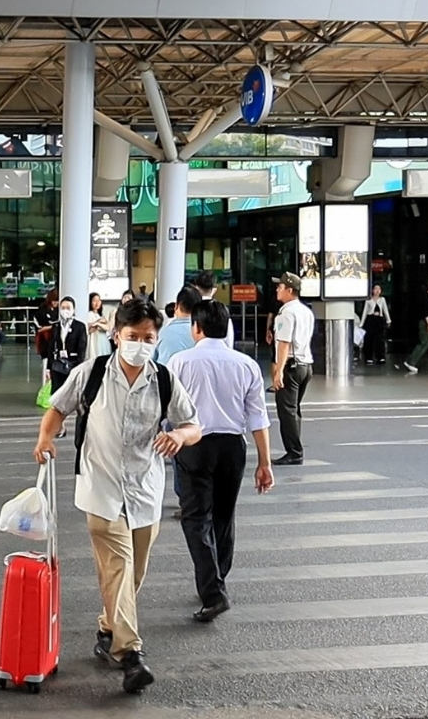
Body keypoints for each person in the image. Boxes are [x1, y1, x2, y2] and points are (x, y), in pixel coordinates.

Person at [32, 298, 201, 695]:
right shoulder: (90, 373)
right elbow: (57, 410)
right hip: (101, 488)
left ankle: (109, 628)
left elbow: (194, 425)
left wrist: (178, 435)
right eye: (132, 336)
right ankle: (130, 654)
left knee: (132, 572)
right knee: (120, 566)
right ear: (116, 336)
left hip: (145, 490)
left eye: (148, 338)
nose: (140, 344)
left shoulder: (163, 379)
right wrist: (45, 438)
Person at [168, 300, 274, 622]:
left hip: (194, 443)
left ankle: (213, 592)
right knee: (223, 517)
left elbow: (166, 408)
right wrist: (264, 463)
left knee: (196, 518)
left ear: (196, 328)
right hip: (233, 446)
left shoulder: (180, 362)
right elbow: (258, 417)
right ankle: (218, 579)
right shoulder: (246, 365)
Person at [271, 272, 315, 466]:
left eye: (280, 287)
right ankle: (295, 450)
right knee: (294, 409)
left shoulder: (286, 313)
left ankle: (294, 452)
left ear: (290, 290)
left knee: (286, 412)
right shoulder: (306, 311)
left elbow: (284, 343)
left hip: (291, 365)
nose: (277, 289)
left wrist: (278, 371)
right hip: (306, 365)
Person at [398, 280, 428, 375]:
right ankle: (410, 361)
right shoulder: (425, 297)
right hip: (426, 322)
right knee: (425, 342)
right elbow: (425, 311)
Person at [43, 296, 86, 396]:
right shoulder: (56, 326)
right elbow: (50, 346)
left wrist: (79, 366)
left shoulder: (80, 327)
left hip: (73, 364)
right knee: (57, 394)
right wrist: (49, 367)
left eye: (68, 308)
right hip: (57, 365)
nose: (65, 310)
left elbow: (82, 348)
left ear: (73, 310)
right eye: (63, 308)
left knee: (71, 394)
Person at [154, 286, 202, 365]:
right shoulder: (203, 333)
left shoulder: (163, 332)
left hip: (166, 375)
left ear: (176, 307)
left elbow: (152, 362)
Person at [193, 272, 235, 348]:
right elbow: (229, 342)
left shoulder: (191, 309)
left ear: (196, 287)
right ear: (214, 289)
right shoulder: (221, 310)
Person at [359, 284, 392, 365]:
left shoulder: (382, 300)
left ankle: (380, 357)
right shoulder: (368, 300)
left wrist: (388, 320)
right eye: (375, 289)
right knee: (369, 339)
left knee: (380, 339)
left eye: (379, 289)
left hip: (379, 320)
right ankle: (368, 357)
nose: (377, 291)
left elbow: (385, 310)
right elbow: (365, 312)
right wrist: (361, 324)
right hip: (371, 319)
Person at [85, 293, 112, 361]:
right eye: (94, 300)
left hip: (103, 342)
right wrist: (97, 323)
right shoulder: (89, 314)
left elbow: (108, 327)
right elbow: (89, 329)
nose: (97, 303)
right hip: (94, 341)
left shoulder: (101, 315)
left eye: (99, 300)